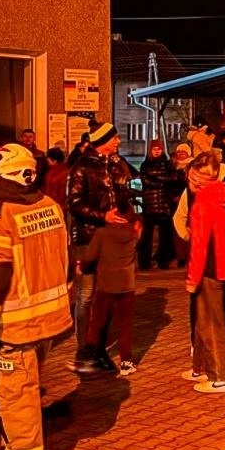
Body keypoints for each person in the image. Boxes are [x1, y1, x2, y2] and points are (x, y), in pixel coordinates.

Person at [0, 143, 72, 450]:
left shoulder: (1, 215)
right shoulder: (51, 206)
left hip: (15, 326)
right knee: (28, 393)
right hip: (50, 320)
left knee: (18, 402)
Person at [64, 122, 134, 375]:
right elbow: (74, 203)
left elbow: (123, 193)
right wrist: (103, 216)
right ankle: (84, 349)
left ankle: (98, 347)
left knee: (105, 294)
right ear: (103, 141)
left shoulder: (114, 164)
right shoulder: (82, 167)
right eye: (114, 138)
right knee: (86, 295)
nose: (118, 141)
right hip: (87, 237)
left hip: (110, 238)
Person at [180, 149, 225, 393]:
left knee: (212, 325)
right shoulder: (220, 195)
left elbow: (199, 243)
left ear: (197, 178)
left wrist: (192, 277)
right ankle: (205, 368)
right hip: (220, 264)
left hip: (208, 268)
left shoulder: (203, 202)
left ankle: (221, 376)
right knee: (205, 323)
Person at [82, 196, 140, 377]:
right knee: (125, 326)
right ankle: (126, 362)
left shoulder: (102, 234)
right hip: (127, 285)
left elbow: (90, 257)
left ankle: (89, 359)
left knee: (97, 324)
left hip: (106, 285)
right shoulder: (133, 234)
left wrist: (81, 267)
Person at [137, 139, 176, 272]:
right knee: (146, 236)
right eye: (154, 149)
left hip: (164, 204)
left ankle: (163, 261)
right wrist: (161, 182)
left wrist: (155, 178)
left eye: (159, 149)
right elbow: (145, 180)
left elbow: (172, 178)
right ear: (150, 150)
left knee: (165, 236)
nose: (157, 151)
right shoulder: (145, 165)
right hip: (150, 204)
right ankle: (144, 262)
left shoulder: (168, 164)